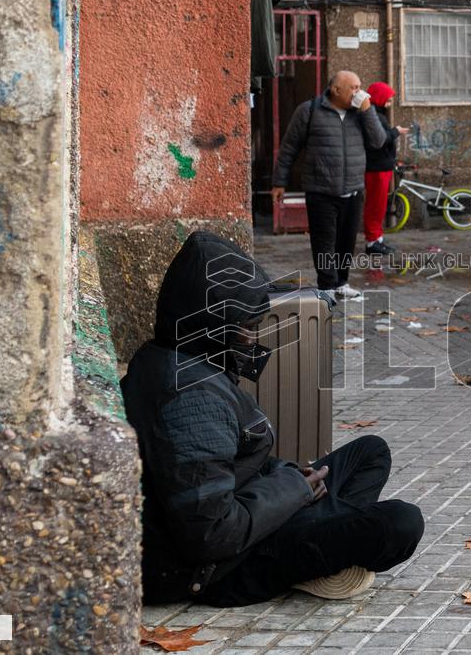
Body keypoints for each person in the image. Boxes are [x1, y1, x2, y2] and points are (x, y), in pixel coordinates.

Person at [121, 231, 424, 607]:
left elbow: (225, 467)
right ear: (212, 325)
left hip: (250, 510)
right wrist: (293, 490)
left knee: (371, 453)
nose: (253, 337)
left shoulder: (181, 358)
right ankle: (317, 551)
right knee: (402, 522)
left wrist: (288, 477)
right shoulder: (189, 400)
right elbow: (211, 533)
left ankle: (322, 537)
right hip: (220, 569)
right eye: (247, 327)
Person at [272, 71, 387, 299]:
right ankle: (326, 286)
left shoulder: (361, 113)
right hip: (321, 189)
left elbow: (378, 141)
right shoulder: (310, 110)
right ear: (336, 90)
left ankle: (341, 282)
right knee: (324, 241)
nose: (359, 92)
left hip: (353, 188)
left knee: (347, 240)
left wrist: (367, 111)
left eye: (359, 86)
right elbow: (289, 148)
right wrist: (279, 182)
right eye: (354, 87)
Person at [363, 82, 409, 256]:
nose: (389, 104)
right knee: (376, 205)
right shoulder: (373, 116)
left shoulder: (376, 115)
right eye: (388, 100)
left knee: (379, 204)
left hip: (381, 166)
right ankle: (372, 241)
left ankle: (376, 238)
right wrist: (395, 131)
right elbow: (380, 140)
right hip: (377, 167)